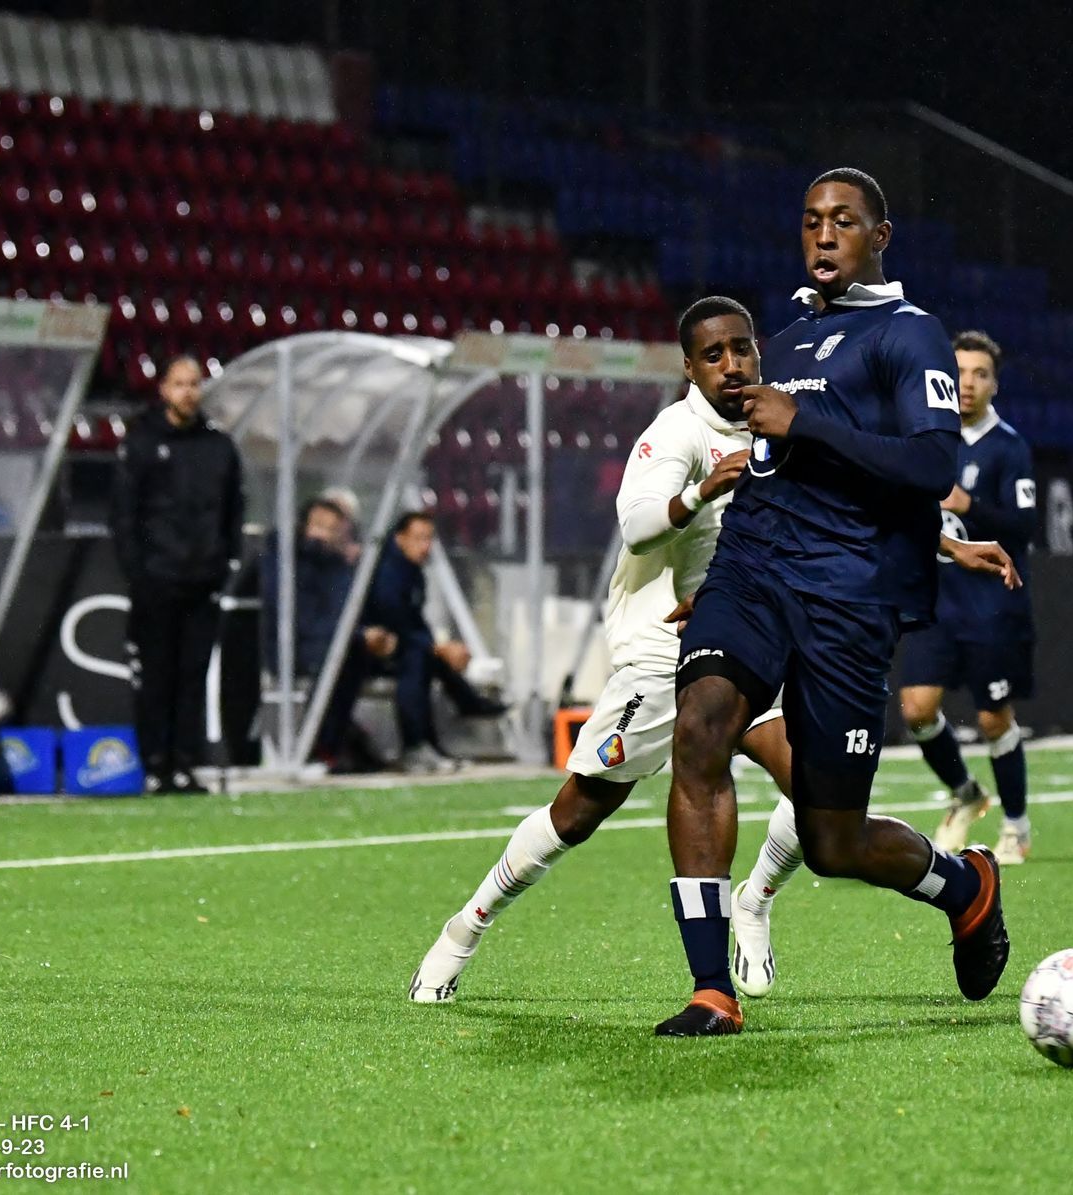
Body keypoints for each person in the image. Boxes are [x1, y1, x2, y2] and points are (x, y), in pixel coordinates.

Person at [406, 296, 1018, 1004]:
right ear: (689, 367)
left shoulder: (783, 417)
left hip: (755, 635)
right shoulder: (677, 431)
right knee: (578, 812)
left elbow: (845, 505)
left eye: (742, 349)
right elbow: (637, 525)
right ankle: (464, 929)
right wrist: (700, 491)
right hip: (663, 650)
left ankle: (755, 905)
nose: (732, 365)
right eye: (713, 355)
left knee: (821, 802)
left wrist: (946, 544)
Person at [656, 167, 1009, 1037]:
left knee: (832, 842)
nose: (823, 234)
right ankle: (711, 989)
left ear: (879, 237)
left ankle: (966, 886)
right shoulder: (784, 340)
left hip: (848, 598)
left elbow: (932, 465)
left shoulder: (908, 335)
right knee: (701, 724)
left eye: (843, 221)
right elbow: (778, 467)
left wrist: (805, 423)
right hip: (753, 575)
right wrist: (711, 579)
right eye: (812, 219)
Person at [902, 330, 1038, 864]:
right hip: (936, 601)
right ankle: (966, 793)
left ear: (994, 384)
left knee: (992, 719)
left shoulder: (1008, 447)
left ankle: (1017, 826)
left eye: (980, 374)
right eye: (959, 372)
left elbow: (1024, 527)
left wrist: (970, 504)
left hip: (991, 606)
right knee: (917, 709)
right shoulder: (927, 438)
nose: (968, 383)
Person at [111, 355, 245, 794]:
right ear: (164, 390)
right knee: (156, 675)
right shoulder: (142, 443)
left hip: (202, 579)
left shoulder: (219, 447)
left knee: (192, 675)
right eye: (180, 384)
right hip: (157, 579)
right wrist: (138, 571)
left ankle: (186, 762)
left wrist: (225, 562)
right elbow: (124, 514)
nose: (188, 392)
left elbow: (233, 510)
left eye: (194, 384)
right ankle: (155, 764)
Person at [364, 511, 507, 774]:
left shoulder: (412, 572)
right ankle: (418, 744)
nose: (425, 545)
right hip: (371, 650)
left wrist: (439, 648)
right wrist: (439, 649)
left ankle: (437, 736)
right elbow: (394, 621)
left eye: (429, 538)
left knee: (425, 657)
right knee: (418, 660)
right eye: (419, 538)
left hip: (402, 647)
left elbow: (415, 623)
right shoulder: (387, 572)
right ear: (400, 538)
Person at [258, 497, 391, 772]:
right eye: (319, 525)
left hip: (335, 644)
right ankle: (323, 745)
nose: (323, 535)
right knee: (343, 659)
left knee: (373, 655)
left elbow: (346, 610)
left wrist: (369, 634)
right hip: (293, 647)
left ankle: (342, 741)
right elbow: (301, 617)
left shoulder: (337, 564)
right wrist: (358, 635)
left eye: (332, 529)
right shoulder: (285, 559)